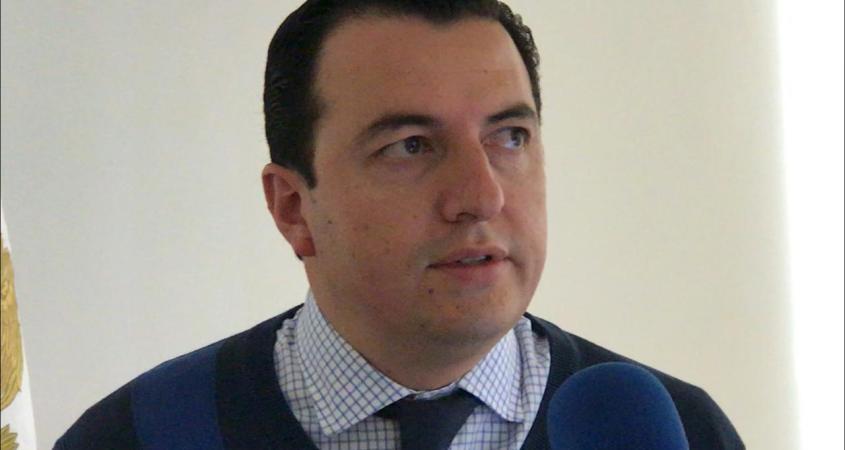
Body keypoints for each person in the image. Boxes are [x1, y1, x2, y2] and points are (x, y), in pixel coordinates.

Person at [56, 1, 745, 449]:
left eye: (508, 137)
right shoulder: (139, 435)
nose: (480, 196)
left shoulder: (675, 430)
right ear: (293, 208)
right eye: (410, 146)